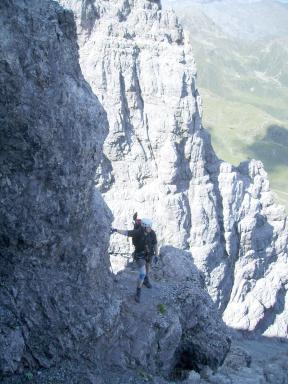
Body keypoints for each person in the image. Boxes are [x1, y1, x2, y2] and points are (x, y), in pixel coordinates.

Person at [111, 218, 158, 303]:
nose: (150, 229)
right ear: (144, 227)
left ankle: (146, 280)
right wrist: (116, 230)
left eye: (150, 227)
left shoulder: (152, 233)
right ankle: (138, 291)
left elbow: (155, 243)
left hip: (149, 254)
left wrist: (157, 255)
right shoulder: (138, 232)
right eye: (148, 227)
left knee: (148, 269)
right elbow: (127, 232)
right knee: (142, 273)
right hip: (140, 255)